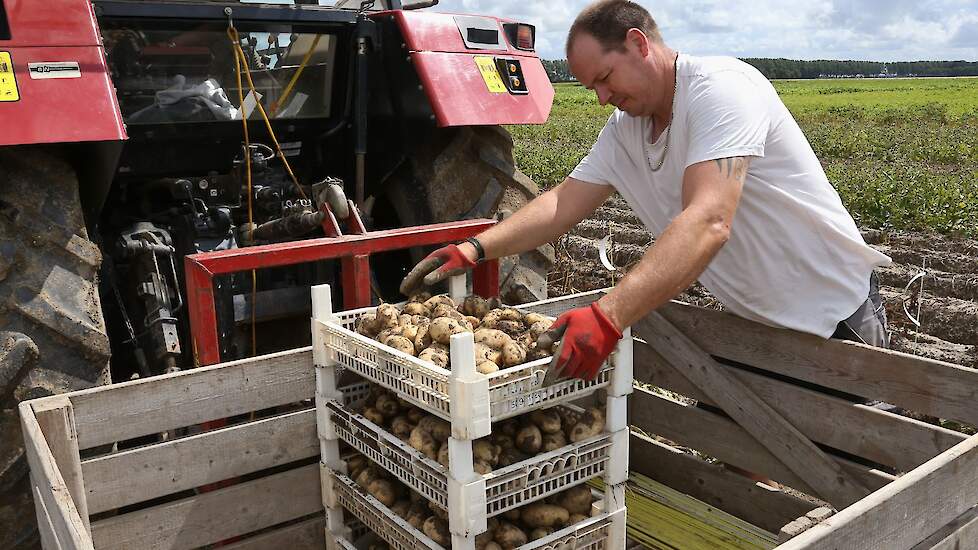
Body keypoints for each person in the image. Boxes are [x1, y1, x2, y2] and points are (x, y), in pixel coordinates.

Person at [399, 0, 891, 381]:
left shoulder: (722, 90)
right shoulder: (626, 129)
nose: (602, 97)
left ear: (638, 43)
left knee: (854, 480)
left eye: (605, 78)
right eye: (592, 86)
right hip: (757, 324)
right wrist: (475, 248)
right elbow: (561, 203)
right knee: (749, 474)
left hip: (833, 318)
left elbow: (709, 222)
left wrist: (610, 316)